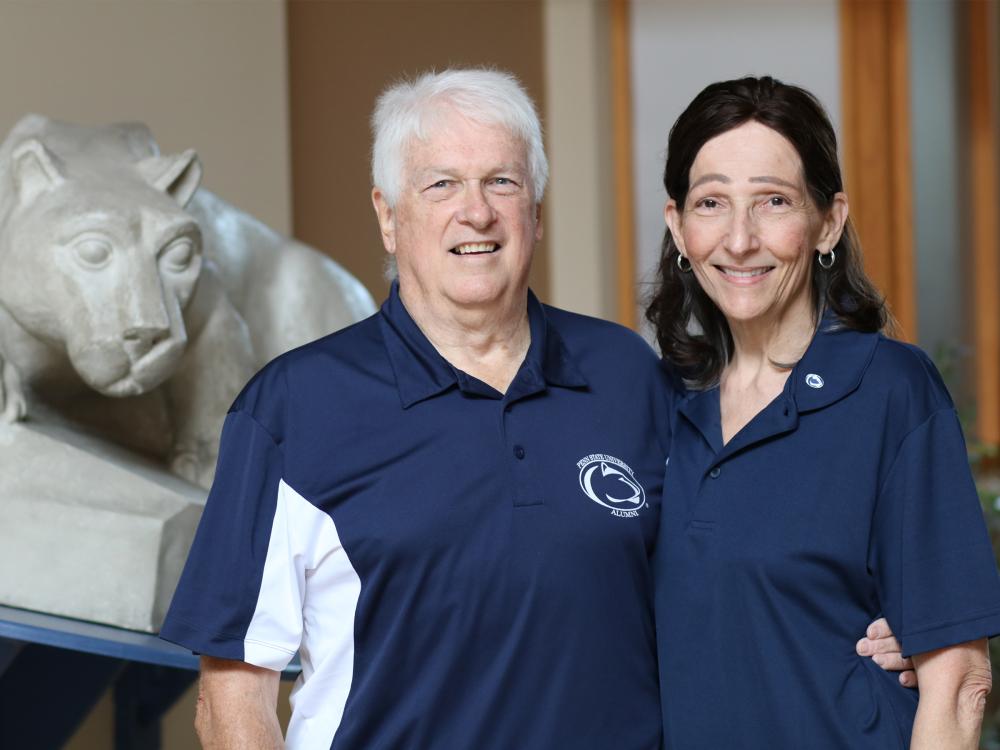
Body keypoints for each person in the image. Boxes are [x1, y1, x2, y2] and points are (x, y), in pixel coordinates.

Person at [160, 68, 911, 749]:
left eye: (503, 184)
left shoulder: (629, 377)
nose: (476, 213)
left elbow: (731, 564)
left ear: (538, 213)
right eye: (441, 186)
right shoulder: (294, 409)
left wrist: (880, 629)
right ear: (389, 218)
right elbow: (232, 697)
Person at [647, 75, 1000, 749]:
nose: (740, 239)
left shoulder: (891, 392)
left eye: (773, 201)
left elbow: (959, 680)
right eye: (711, 202)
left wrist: (923, 635)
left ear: (828, 221)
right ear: (679, 227)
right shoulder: (655, 403)